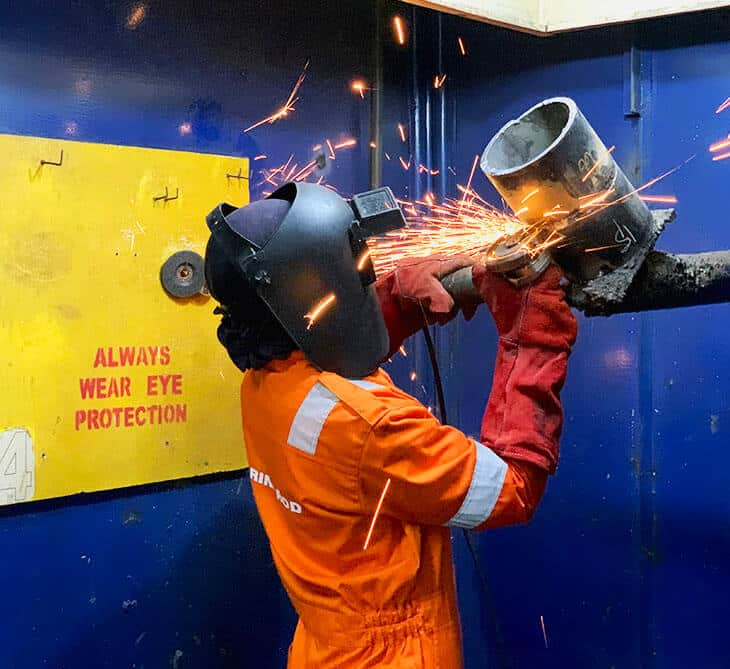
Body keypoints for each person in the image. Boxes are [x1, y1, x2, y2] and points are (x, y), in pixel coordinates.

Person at [204, 181, 578, 668]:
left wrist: (398, 299)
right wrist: (532, 339)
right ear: (318, 288)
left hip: (324, 650)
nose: (364, 275)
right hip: (396, 655)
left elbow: (323, 346)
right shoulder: (370, 427)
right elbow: (513, 489)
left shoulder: (264, 385)